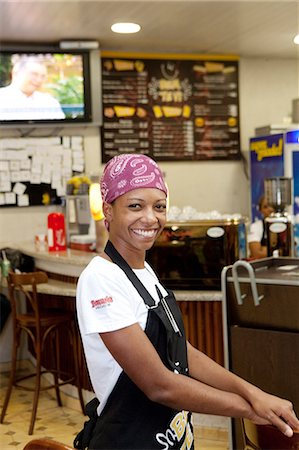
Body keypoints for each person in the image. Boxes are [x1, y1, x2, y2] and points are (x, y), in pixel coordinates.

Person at [75, 154, 299, 450]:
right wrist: (249, 409)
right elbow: (160, 386)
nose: (150, 218)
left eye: (159, 207)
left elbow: (183, 352)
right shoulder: (100, 279)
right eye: (135, 206)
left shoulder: (144, 271)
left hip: (171, 437)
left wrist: (252, 392)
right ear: (108, 209)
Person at [0, 54, 65, 120]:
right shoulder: (2, 98)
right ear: (16, 73)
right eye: (34, 74)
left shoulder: (50, 102)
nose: (39, 80)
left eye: (43, 76)